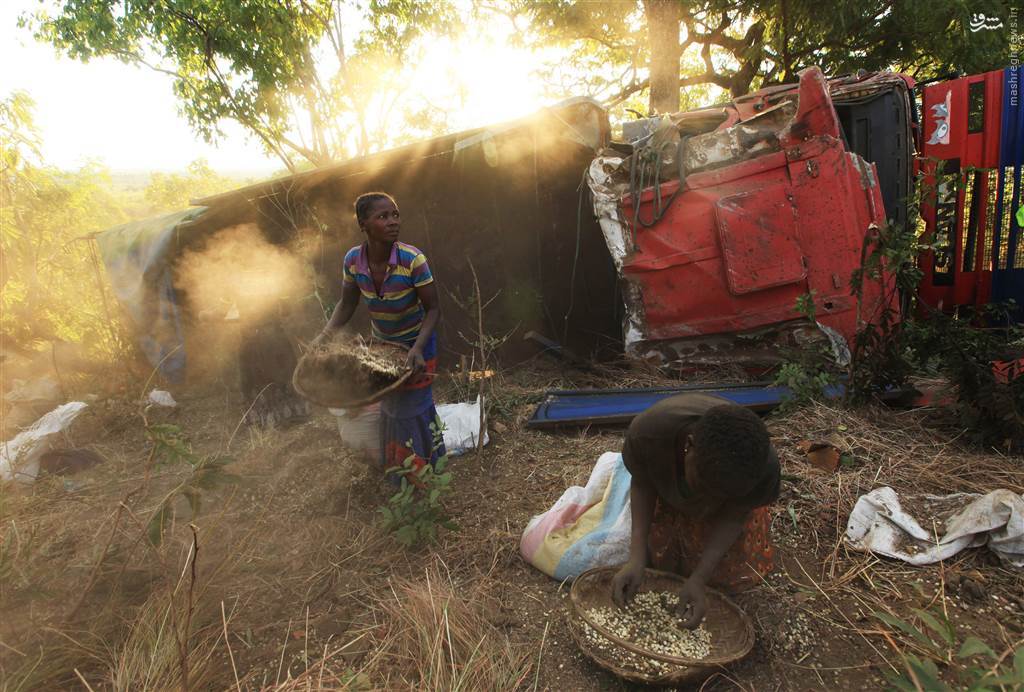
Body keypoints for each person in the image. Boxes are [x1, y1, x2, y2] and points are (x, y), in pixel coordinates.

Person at [611, 393, 779, 628]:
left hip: (728, 504)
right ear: (689, 447)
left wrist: (699, 578)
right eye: (703, 486)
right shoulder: (650, 434)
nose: (709, 500)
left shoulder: (762, 468)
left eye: (722, 495)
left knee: (729, 574)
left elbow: (737, 513)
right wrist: (636, 557)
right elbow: (643, 483)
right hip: (669, 487)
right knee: (660, 556)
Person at [314, 192, 445, 474]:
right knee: (391, 409)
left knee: (412, 410)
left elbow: (433, 309)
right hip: (384, 350)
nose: (392, 222)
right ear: (363, 224)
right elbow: (347, 303)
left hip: (417, 345)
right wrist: (324, 336)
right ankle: (402, 473)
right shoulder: (353, 260)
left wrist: (418, 348)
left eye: (395, 215)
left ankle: (426, 474)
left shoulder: (412, 259)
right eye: (382, 216)